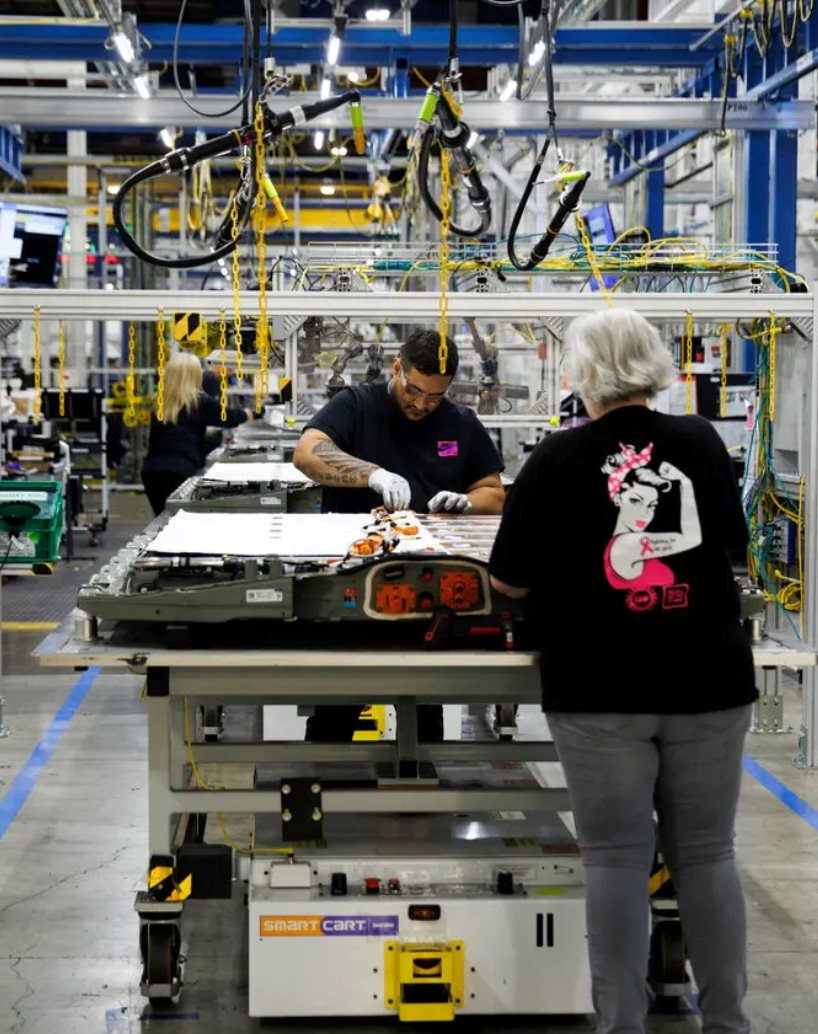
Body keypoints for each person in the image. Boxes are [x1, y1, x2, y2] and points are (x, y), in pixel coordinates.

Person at [488, 308, 757, 1034]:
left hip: (598, 684)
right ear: (652, 363)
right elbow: (730, 544)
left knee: (614, 860)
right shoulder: (699, 441)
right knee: (708, 855)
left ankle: (621, 1026)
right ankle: (729, 1023)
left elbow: (508, 579)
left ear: (580, 374)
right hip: (708, 679)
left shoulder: (555, 457)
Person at [294, 327, 505, 742]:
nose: (422, 404)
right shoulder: (356, 405)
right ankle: (326, 768)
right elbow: (306, 453)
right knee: (338, 708)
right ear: (397, 368)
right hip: (352, 578)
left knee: (424, 710)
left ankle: (419, 774)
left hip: (428, 587)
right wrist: (371, 474)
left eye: (434, 396)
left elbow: (493, 493)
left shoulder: (460, 423)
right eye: (414, 390)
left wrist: (466, 502)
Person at [141, 352, 253, 516]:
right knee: (179, 521)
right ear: (194, 376)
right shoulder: (197, 402)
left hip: (152, 471)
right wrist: (251, 413)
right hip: (179, 471)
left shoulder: (159, 401)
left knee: (163, 521)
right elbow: (227, 417)